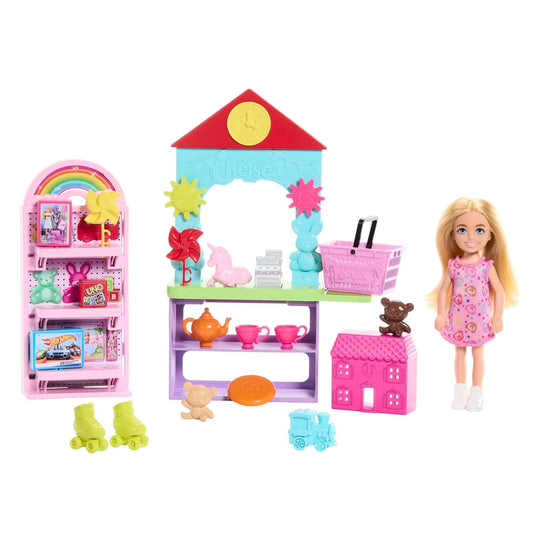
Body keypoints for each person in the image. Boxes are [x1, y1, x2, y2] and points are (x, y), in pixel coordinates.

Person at [431, 198, 518, 411]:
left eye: (479, 231)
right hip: (457, 318)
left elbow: (499, 291)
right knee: (459, 352)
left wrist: (498, 316)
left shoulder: (486, 266)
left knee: (478, 353)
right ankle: (460, 390)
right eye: (462, 230)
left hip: (480, 320)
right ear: (452, 235)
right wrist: (441, 313)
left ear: (489, 235)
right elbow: (443, 290)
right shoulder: (454, 266)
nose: (471, 237)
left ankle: (477, 391)